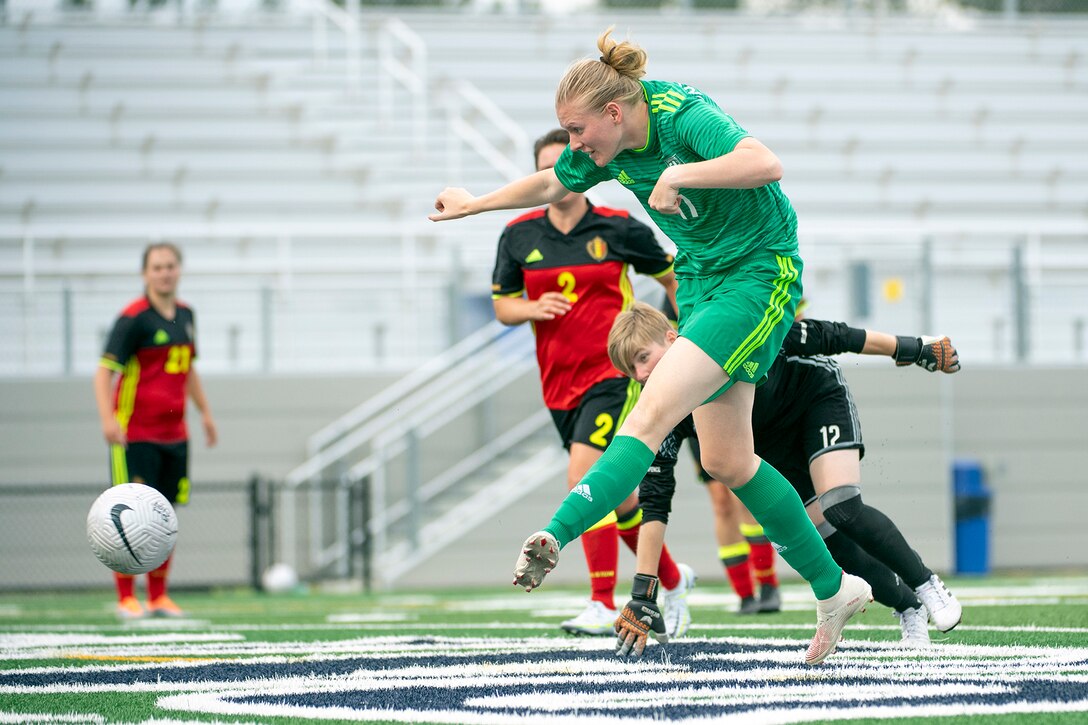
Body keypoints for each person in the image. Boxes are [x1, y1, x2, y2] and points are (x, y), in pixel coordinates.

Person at [432, 27, 872, 665]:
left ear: (615, 112)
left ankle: (553, 536)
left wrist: (682, 174)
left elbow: (765, 162)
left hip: (757, 274)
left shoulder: (682, 117)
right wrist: (476, 205)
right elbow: (553, 184)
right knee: (725, 461)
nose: (575, 145)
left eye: (579, 131)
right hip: (699, 280)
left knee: (651, 410)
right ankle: (835, 589)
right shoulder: (602, 148)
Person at [607, 301, 963, 656]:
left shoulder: (729, 335)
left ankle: (926, 583)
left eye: (642, 357)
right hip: (770, 442)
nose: (639, 374)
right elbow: (655, 497)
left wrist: (913, 348)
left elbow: (832, 336)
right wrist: (643, 592)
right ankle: (908, 606)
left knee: (841, 505)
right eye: (629, 369)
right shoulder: (660, 402)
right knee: (827, 540)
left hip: (815, 398)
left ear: (672, 338)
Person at [491, 128, 694, 637]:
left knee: (581, 478)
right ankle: (672, 580)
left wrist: (679, 336)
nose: (556, 176)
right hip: (558, 382)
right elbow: (501, 306)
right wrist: (532, 308)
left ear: (582, 168)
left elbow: (672, 277)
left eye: (564, 165)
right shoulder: (518, 235)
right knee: (618, 499)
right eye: (545, 167)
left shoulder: (618, 227)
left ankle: (602, 600)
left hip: (612, 376)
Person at [92, 242, 217, 620]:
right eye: (157, 267)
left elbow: (188, 368)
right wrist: (107, 419)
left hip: (175, 435)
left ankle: (159, 595)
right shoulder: (133, 318)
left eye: (170, 266)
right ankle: (127, 597)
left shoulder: (187, 314)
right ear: (145, 273)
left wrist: (205, 412)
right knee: (127, 514)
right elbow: (104, 373)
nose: (164, 272)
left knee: (164, 516)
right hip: (136, 433)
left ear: (179, 270)